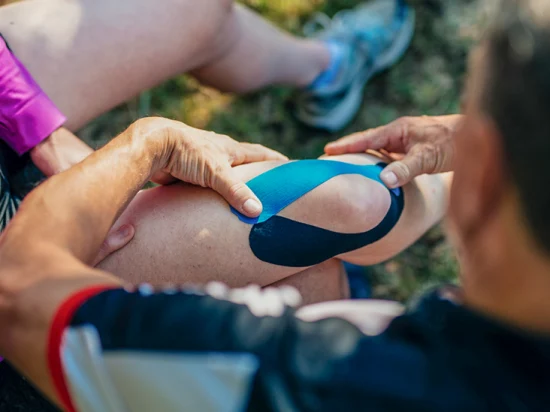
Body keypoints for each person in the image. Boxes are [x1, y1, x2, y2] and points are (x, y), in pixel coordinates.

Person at [3, 2, 550, 411]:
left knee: (343, 216)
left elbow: (18, 291)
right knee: (349, 207)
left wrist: (143, 145)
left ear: (479, 183)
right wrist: (38, 129)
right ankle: (327, 69)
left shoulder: (315, 371)